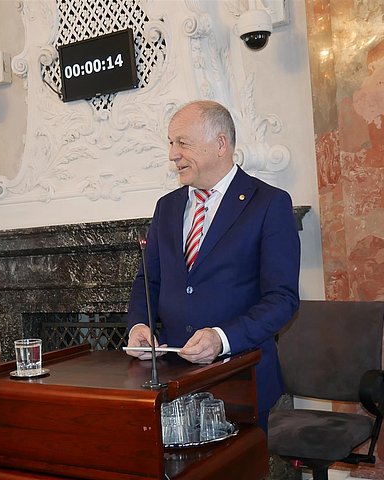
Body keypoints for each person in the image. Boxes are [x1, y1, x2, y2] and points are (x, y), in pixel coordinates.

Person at [126, 100, 300, 431]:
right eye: (171, 143)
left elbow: (282, 299)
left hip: (240, 381)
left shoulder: (268, 204)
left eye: (182, 142)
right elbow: (148, 281)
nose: (172, 154)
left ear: (220, 144)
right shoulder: (167, 207)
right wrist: (139, 326)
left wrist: (222, 338)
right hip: (174, 384)